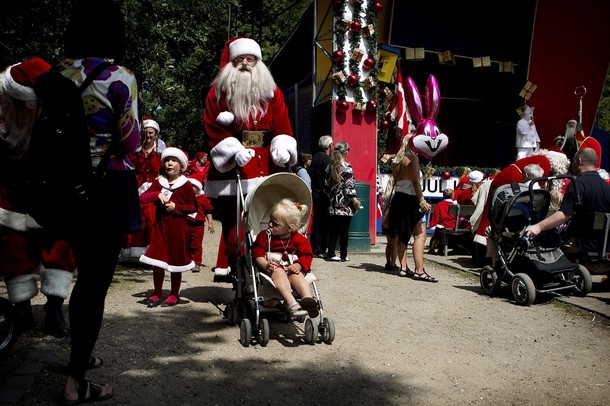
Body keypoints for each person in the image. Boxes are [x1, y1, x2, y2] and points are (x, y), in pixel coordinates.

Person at [59, 1, 141, 402]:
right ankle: (75, 381)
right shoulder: (119, 76)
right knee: (94, 284)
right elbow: (132, 141)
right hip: (107, 188)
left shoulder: (55, 75)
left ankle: (82, 355)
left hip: (63, 190)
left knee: (80, 278)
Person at [203, 36, 296, 278]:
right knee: (235, 225)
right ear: (232, 63)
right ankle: (238, 270)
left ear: (258, 62)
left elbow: (283, 124)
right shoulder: (217, 93)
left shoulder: (272, 92)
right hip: (235, 169)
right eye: (240, 59)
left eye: (250, 59)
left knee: (269, 218)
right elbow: (213, 127)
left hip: (267, 164)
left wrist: (282, 146)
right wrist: (233, 150)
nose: (245, 64)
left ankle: (265, 268)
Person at [0, 58, 75, 339]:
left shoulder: (59, 112)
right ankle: (21, 309)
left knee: (60, 250)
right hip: (14, 196)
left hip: (53, 195)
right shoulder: (4, 115)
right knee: (14, 252)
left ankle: (54, 309)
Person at [526, 148, 610, 258]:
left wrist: (538, 226)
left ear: (579, 161)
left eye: (573, 162)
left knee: (545, 240)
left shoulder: (577, 184)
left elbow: (564, 214)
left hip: (579, 243)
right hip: (604, 244)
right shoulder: (606, 187)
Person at [139, 147, 197, 307]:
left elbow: (192, 207)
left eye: (174, 161)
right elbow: (143, 197)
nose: (170, 164)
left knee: (176, 260)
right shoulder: (159, 183)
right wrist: (156, 194)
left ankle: (174, 294)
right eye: (167, 161)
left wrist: (175, 207)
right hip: (160, 228)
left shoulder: (185, 185)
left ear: (182, 165)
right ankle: (156, 293)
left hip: (178, 229)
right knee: (157, 260)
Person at [251, 198, 319, 318]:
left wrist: (299, 265)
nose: (270, 224)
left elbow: (307, 255)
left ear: (290, 228)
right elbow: (257, 253)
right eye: (270, 220)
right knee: (279, 272)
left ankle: (308, 300)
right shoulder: (265, 236)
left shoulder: (299, 239)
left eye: (275, 224)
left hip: (292, 267)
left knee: (297, 275)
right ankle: (292, 303)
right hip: (273, 269)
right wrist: (265, 264)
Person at [386, 136, 437, 282]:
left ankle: (403, 267)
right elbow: (415, 182)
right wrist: (421, 200)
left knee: (403, 235)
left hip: (399, 199)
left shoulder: (397, 160)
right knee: (420, 235)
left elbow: (396, 181)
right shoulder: (412, 158)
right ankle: (419, 270)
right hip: (411, 200)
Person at [120, 118, 164, 260]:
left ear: (156, 134)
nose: (148, 135)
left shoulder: (161, 152)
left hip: (154, 188)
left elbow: (167, 169)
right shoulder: (135, 151)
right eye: (145, 132)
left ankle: (152, 253)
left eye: (151, 133)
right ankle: (134, 254)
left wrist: (161, 178)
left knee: (151, 220)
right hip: (136, 188)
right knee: (136, 218)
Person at [324, 141, 360, 262]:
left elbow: (327, 187)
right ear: (345, 152)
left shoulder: (330, 166)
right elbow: (349, 187)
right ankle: (343, 255)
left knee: (333, 229)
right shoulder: (346, 167)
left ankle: (331, 253)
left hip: (333, 203)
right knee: (344, 231)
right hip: (344, 204)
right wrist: (355, 201)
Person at [310, 135, 333, 257]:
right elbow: (330, 178)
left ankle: (314, 246)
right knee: (323, 222)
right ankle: (320, 248)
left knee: (316, 221)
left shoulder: (315, 158)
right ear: (329, 146)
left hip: (315, 192)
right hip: (323, 194)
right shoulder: (326, 160)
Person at [187, 173, 215, 272]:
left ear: (198, 187)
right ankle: (186, 261)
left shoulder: (203, 198)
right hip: (186, 224)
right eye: (189, 186)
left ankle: (196, 263)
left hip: (198, 226)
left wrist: (210, 223)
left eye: (193, 186)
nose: (191, 188)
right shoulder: (185, 197)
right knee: (185, 243)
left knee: (196, 245)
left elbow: (208, 211)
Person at [427, 188, 457, 254]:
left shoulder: (439, 205)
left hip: (443, 225)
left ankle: (432, 248)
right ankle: (441, 248)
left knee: (437, 232)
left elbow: (436, 216)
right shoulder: (455, 205)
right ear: (452, 196)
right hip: (454, 225)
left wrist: (433, 224)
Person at [381, 174, 398, 271]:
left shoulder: (388, 192)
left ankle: (388, 262)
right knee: (395, 242)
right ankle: (393, 263)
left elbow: (384, 205)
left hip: (387, 217)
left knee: (389, 243)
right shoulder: (399, 192)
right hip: (395, 217)